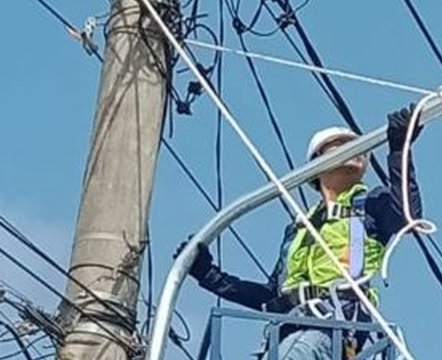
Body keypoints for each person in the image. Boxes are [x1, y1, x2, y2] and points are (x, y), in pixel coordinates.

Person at [177, 105, 422, 360]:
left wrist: (400, 149)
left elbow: (407, 213)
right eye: (339, 145)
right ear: (317, 164)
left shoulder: (368, 205)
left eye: (357, 145)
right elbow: (272, 296)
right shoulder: (299, 229)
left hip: (335, 326)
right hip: (288, 332)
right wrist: (209, 275)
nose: (353, 149)